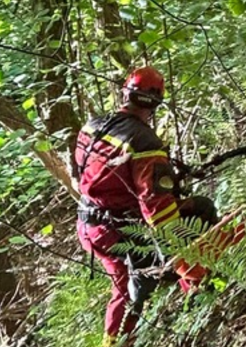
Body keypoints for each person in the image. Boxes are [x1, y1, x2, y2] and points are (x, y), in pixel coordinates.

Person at [75, 66, 218, 347]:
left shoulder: (93, 125)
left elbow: (88, 172)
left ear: (125, 92)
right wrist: (179, 249)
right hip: (119, 230)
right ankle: (199, 288)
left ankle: (113, 342)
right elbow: (156, 207)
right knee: (199, 212)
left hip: (88, 225)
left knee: (121, 290)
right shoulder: (143, 141)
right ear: (156, 102)